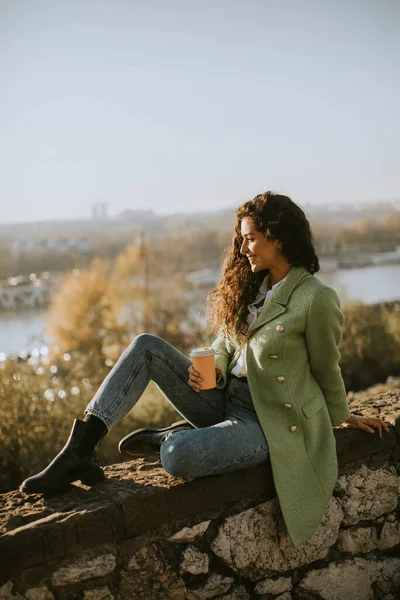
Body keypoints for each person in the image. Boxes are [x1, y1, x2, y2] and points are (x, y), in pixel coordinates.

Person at [20, 191, 389, 548]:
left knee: (177, 456)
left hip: (268, 422)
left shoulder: (316, 298)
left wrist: (342, 416)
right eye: (242, 240)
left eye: (250, 239)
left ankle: (168, 437)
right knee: (146, 345)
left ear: (277, 239)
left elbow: (327, 367)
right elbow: (227, 343)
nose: (242, 249)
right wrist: (212, 369)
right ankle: (80, 450)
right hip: (225, 397)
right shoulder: (254, 289)